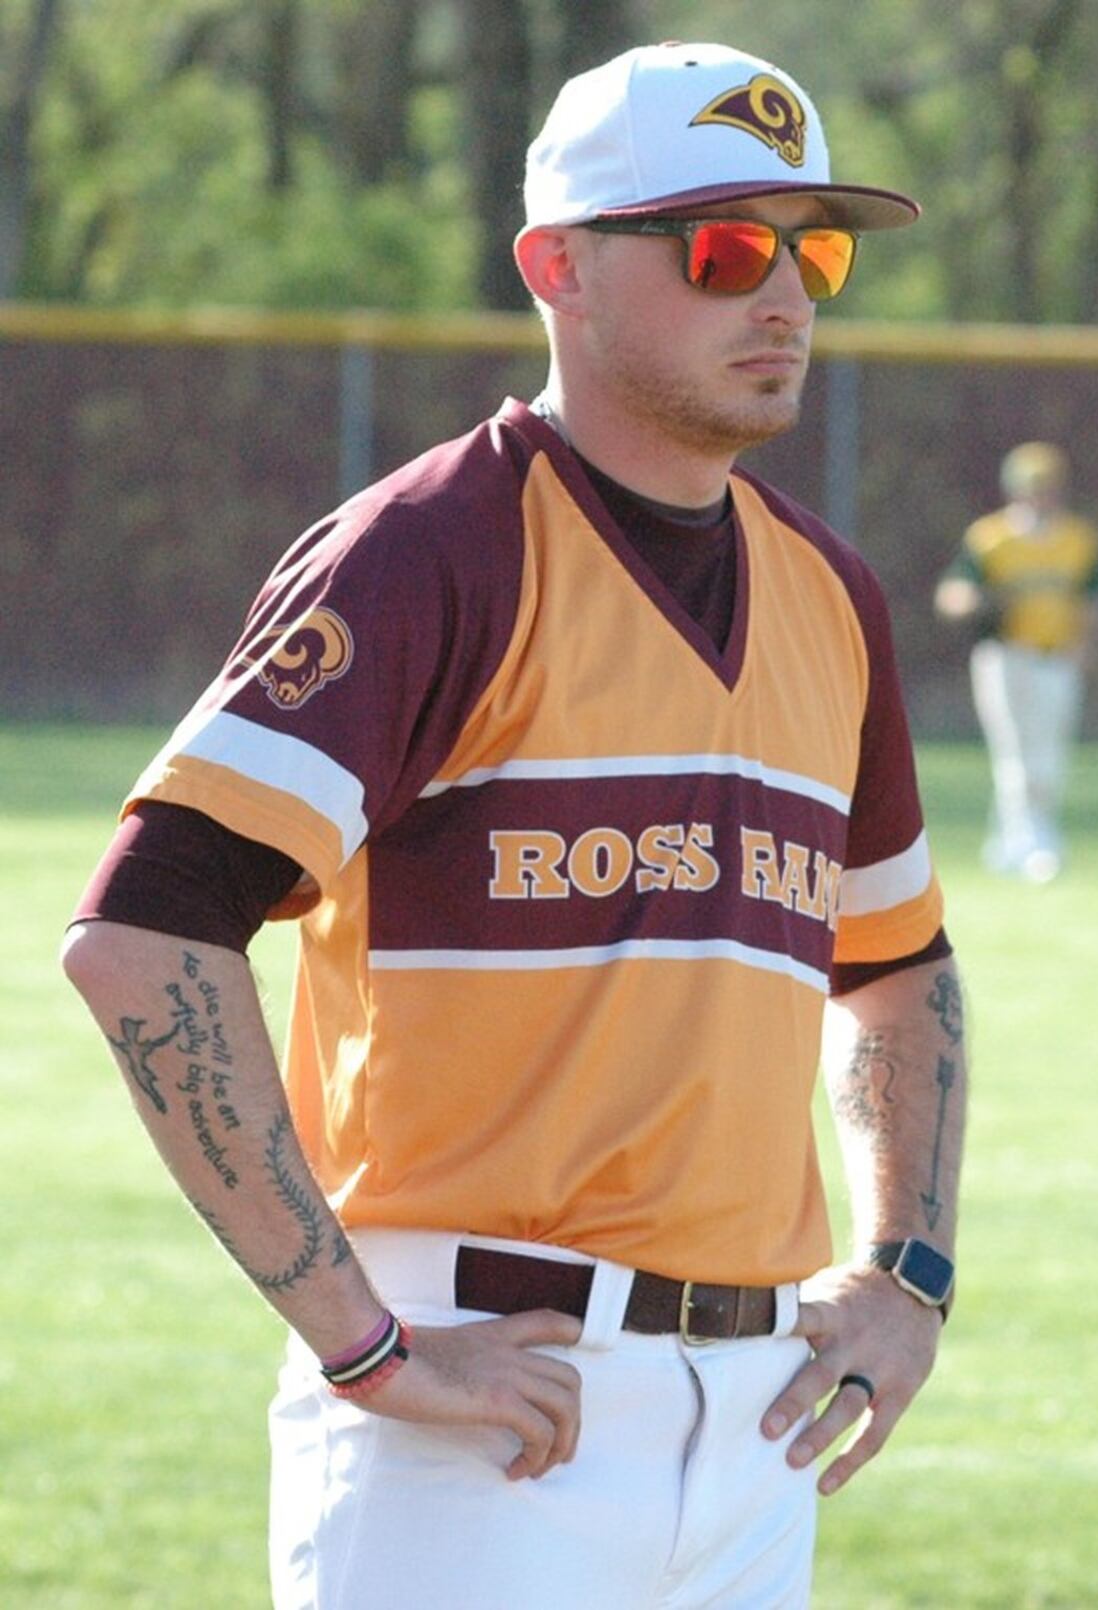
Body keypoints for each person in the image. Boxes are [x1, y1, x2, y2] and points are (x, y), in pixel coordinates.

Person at [61, 41, 966, 1610]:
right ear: (559, 268)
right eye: (724, 248)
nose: (787, 298)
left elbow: (897, 965)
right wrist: (360, 1339)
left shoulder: (831, 592)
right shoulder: (429, 552)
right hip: (477, 1404)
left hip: (760, 1419)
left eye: (811, 250)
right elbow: (143, 940)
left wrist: (909, 1273)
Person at [935, 440, 1098, 882]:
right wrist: (976, 601)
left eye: (1046, 486)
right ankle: (1032, 845)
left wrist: (1088, 646)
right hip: (1006, 656)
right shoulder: (992, 538)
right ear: (1013, 489)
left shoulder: (1077, 539)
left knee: (1048, 754)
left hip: (1058, 657)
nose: (1039, 494)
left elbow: (1094, 600)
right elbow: (952, 595)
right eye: (1031, 486)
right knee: (1015, 753)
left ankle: (1009, 844)